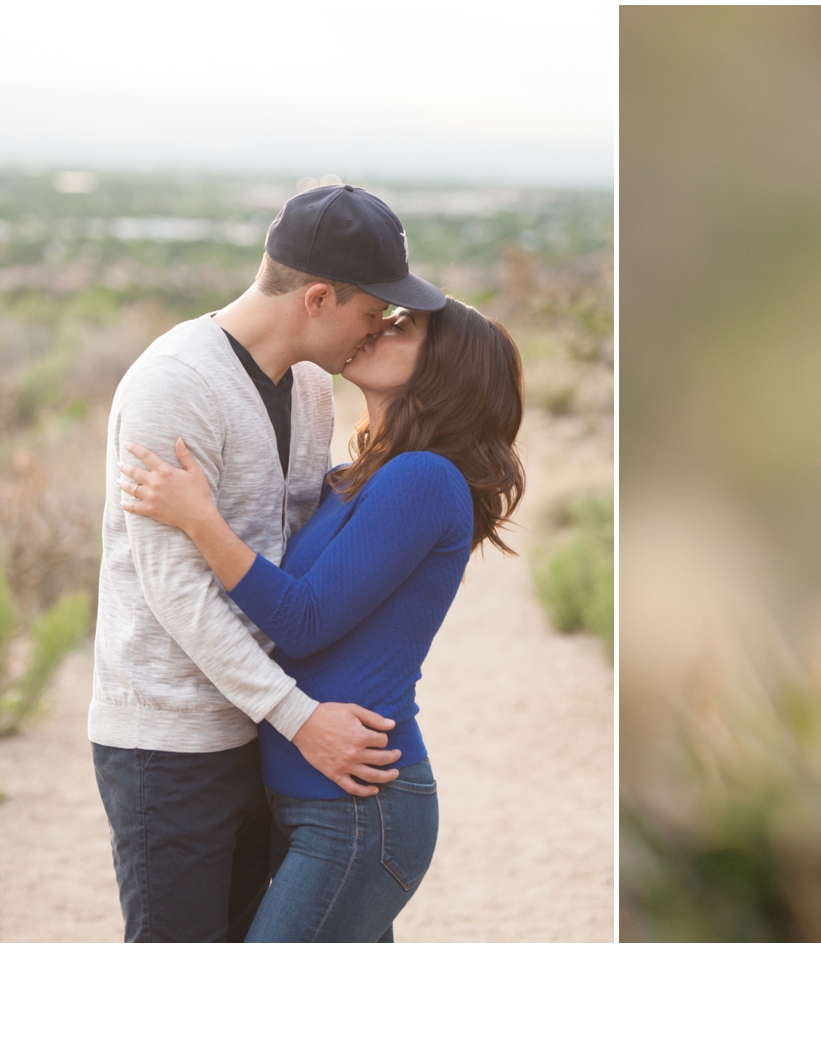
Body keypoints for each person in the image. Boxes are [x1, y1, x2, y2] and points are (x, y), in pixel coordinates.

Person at [91, 184, 446, 941]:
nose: (381, 325)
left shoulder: (315, 388)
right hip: (172, 740)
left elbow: (299, 563)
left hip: (261, 732)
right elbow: (175, 591)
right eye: (374, 308)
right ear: (319, 297)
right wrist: (299, 716)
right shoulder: (174, 385)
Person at [117, 296, 525, 941]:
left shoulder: (425, 479)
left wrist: (199, 519)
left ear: (445, 367)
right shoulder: (354, 477)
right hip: (312, 799)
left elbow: (303, 620)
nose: (377, 327)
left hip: (360, 812)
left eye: (402, 327)